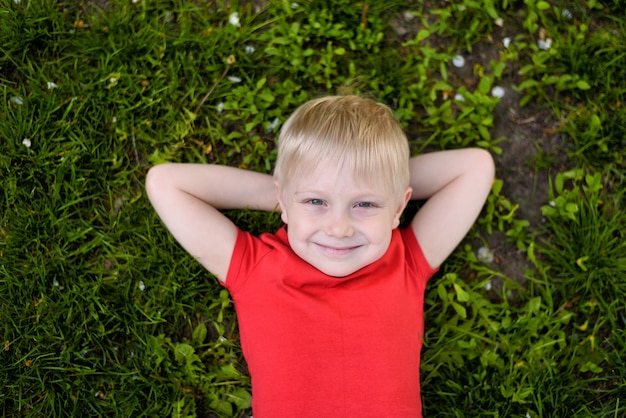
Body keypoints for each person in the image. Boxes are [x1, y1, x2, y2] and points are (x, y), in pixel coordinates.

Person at [146, 95, 495, 417]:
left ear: (399, 207)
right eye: (316, 202)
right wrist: (289, 196)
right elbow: (165, 183)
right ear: (283, 200)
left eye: (365, 204)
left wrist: (377, 182)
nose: (338, 228)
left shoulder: (404, 261)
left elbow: (475, 167)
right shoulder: (256, 267)